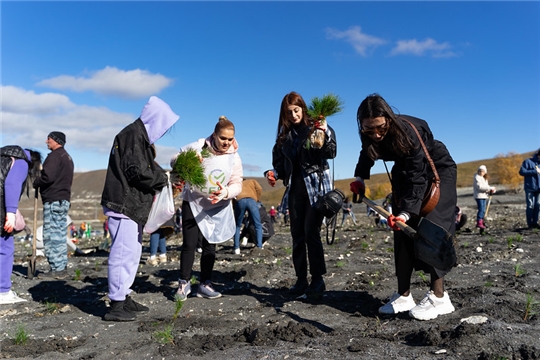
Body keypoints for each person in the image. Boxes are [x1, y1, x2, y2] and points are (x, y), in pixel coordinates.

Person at [350, 93, 457, 321]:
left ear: (388, 118)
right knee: (400, 231)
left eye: (380, 128)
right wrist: (360, 178)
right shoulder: (368, 132)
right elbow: (366, 154)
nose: (376, 134)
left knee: (432, 226)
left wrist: (407, 212)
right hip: (406, 171)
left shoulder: (408, 131)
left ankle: (439, 297)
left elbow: (418, 177)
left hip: (437, 169)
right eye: (369, 130)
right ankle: (403, 295)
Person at [100, 96, 180, 321]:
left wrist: (163, 177)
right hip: (124, 204)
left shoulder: (138, 137)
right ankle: (116, 304)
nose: (163, 131)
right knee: (123, 253)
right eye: (164, 125)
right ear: (156, 119)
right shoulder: (133, 135)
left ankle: (123, 296)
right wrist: (164, 179)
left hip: (129, 205)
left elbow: (142, 169)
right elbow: (137, 171)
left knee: (131, 253)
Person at [265, 91, 337, 299]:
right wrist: (273, 174)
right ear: (284, 115)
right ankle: (300, 280)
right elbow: (280, 166)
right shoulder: (284, 138)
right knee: (297, 235)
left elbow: (331, 153)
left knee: (310, 232)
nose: (294, 115)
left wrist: (326, 131)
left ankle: (317, 280)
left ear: (303, 109)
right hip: (295, 191)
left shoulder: (316, 127)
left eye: (296, 110)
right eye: (289, 113)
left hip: (315, 189)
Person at [172, 116, 243, 301]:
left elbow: (237, 183)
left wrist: (226, 192)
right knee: (189, 243)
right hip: (194, 202)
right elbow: (174, 160)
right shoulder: (199, 146)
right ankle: (184, 283)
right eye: (223, 139)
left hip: (216, 205)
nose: (227, 143)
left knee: (210, 244)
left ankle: (205, 284)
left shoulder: (234, 157)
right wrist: (186, 158)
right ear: (215, 135)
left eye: (230, 139)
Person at [1, 146, 41, 304]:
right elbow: (11, 184)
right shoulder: (21, 161)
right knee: (5, 247)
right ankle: (3, 292)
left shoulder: (3, 158)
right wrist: (10, 213)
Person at [33, 131, 74, 279]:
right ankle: (60, 267)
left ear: (56, 141)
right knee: (59, 234)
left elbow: (48, 176)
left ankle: (57, 269)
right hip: (62, 200)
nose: (46, 141)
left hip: (54, 200)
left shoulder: (54, 157)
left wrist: (36, 182)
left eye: (49, 139)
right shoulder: (67, 157)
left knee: (51, 235)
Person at [233, 179, 263, 254]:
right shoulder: (252, 181)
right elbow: (259, 188)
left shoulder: (237, 184)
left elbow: (233, 194)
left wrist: (235, 206)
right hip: (251, 200)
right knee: (258, 225)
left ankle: (236, 248)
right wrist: (257, 198)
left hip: (239, 201)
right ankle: (259, 246)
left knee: (237, 225)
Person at [519, 149, 540, 229]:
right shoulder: (527, 161)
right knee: (530, 206)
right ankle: (530, 223)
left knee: (538, 205)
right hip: (530, 187)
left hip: (539, 188)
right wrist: (535, 171)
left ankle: (535, 222)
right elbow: (521, 171)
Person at [473, 165, 496, 231]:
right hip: (479, 196)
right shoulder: (477, 177)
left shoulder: (484, 179)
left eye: (482, 171)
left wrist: (491, 190)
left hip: (484, 196)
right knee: (481, 209)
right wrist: (490, 188)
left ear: (485, 172)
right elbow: (480, 187)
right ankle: (479, 222)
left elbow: (486, 187)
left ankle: (482, 222)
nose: (481, 172)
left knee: (483, 210)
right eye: (480, 171)